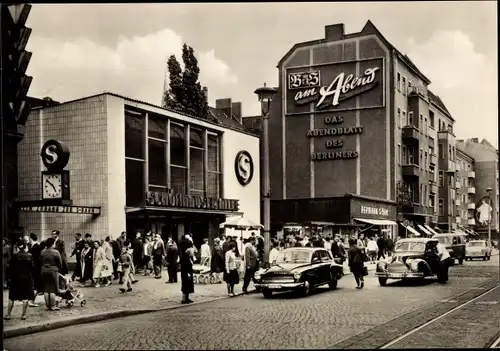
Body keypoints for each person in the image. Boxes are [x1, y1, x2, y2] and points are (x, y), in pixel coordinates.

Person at [4, 240, 34, 320]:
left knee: (11, 297)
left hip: (15, 279)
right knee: (25, 297)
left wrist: (9, 278)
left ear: (17, 247)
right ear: (25, 246)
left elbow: (9, 268)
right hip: (26, 279)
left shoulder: (14, 256)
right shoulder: (29, 255)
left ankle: (8, 315)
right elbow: (32, 268)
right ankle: (23, 315)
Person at [40, 237, 62, 310]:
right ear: (52, 244)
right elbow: (60, 263)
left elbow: (40, 261)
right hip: (53, 271)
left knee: (46, 288)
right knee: (52, 289)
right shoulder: (56, 252)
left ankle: (48, 305)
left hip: (44, 270)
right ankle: (52, 306)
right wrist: (57, 268)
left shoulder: (42, 252)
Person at [179, 235, 195, 304]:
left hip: (188, 271)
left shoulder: (188, 256)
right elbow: (185, 266)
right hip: (186, 272)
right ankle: (184, 299)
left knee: (188, 285)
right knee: (185, 284)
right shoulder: (185, 257)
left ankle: (187, 298)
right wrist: (188, 273)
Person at [28, 233, 42, 307]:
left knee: (36, 285)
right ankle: (31, 300)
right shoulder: (34, 246)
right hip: (34, 268)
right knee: (36, 285)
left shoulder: (36, 246)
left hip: (36, 268)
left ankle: (31, 300)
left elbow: (36, 258)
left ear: (31, 238)